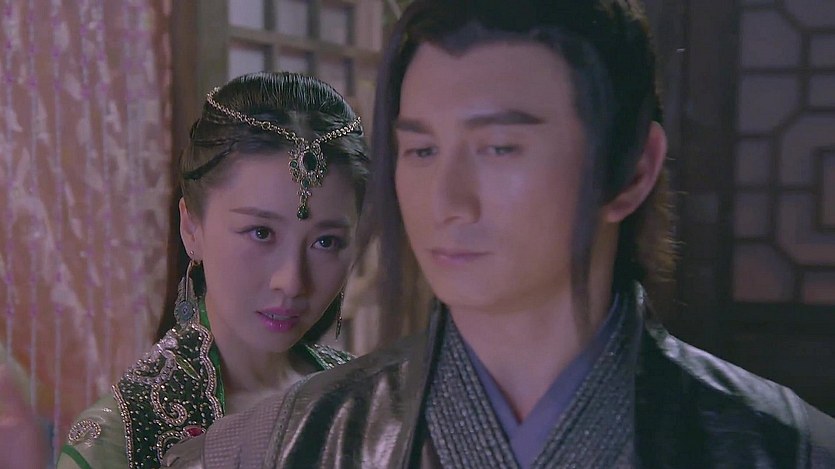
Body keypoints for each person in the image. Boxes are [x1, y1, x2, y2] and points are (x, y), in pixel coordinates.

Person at [162, 1, 835, 467]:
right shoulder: (276, 448)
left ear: (631, 169)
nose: (446, 202)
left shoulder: (783, 449)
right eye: (421, 151)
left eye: (499, 148)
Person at [57, 71, 368, 469]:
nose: (291, 282)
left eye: (326, 242)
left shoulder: (367, 402)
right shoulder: (120, 439)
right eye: (261, 233)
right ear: (191, 228)